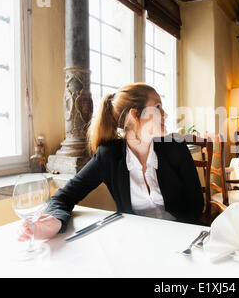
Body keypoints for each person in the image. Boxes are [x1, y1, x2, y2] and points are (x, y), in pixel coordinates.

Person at [18, 83, 204, 242]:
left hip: (182, 240)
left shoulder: (175, 147)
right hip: (137, 243)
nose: (165, 114)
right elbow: (62, 198)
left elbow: (196, 206)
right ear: (134, 115)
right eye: (157, 107)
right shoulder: (108, 156)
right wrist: (55, 222)